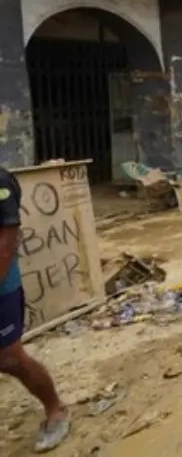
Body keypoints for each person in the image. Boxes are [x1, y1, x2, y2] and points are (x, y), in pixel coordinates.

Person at [0, 167, 71, 452]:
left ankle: (56, 409)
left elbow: (7, 239)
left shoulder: (1, 181)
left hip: (1, 287)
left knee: (9, 359)